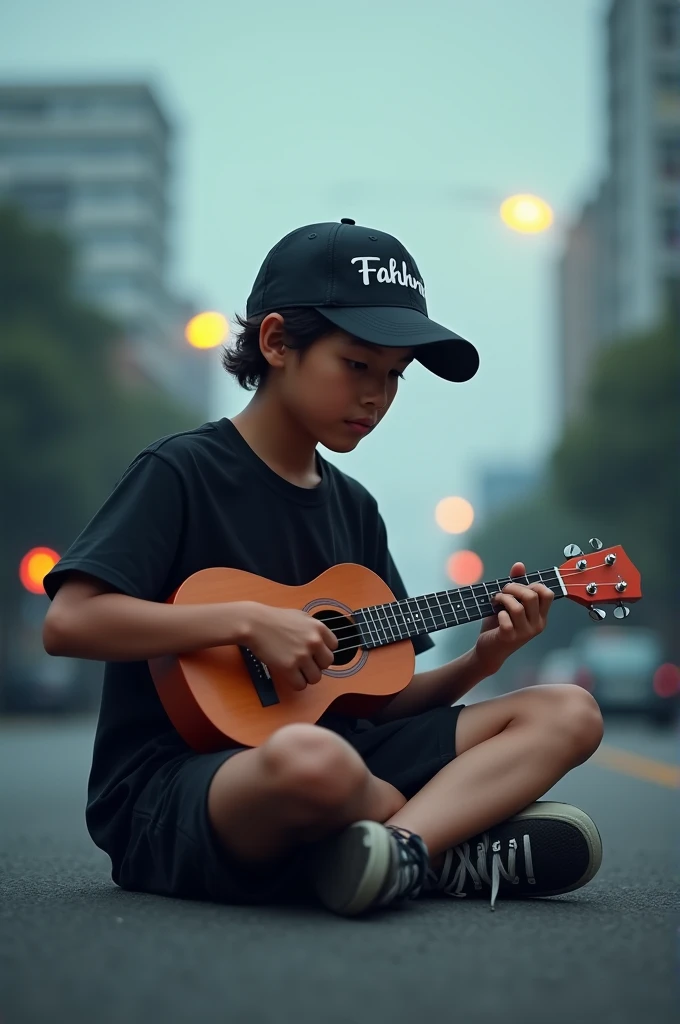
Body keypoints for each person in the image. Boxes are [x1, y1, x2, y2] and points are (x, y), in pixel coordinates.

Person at [42, 218, 604, 918]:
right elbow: (69, 624)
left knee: (569, 711)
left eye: (395, 376)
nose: (377, 397)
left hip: (344, 760)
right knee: (312, 761)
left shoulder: (355, 509)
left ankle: (397, 852)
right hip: (185, 784)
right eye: (357, 365)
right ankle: (443, 843)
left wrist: (480, 664)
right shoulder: (181, 471)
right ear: (277, 342)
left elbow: (368, 699)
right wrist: (247, 621)